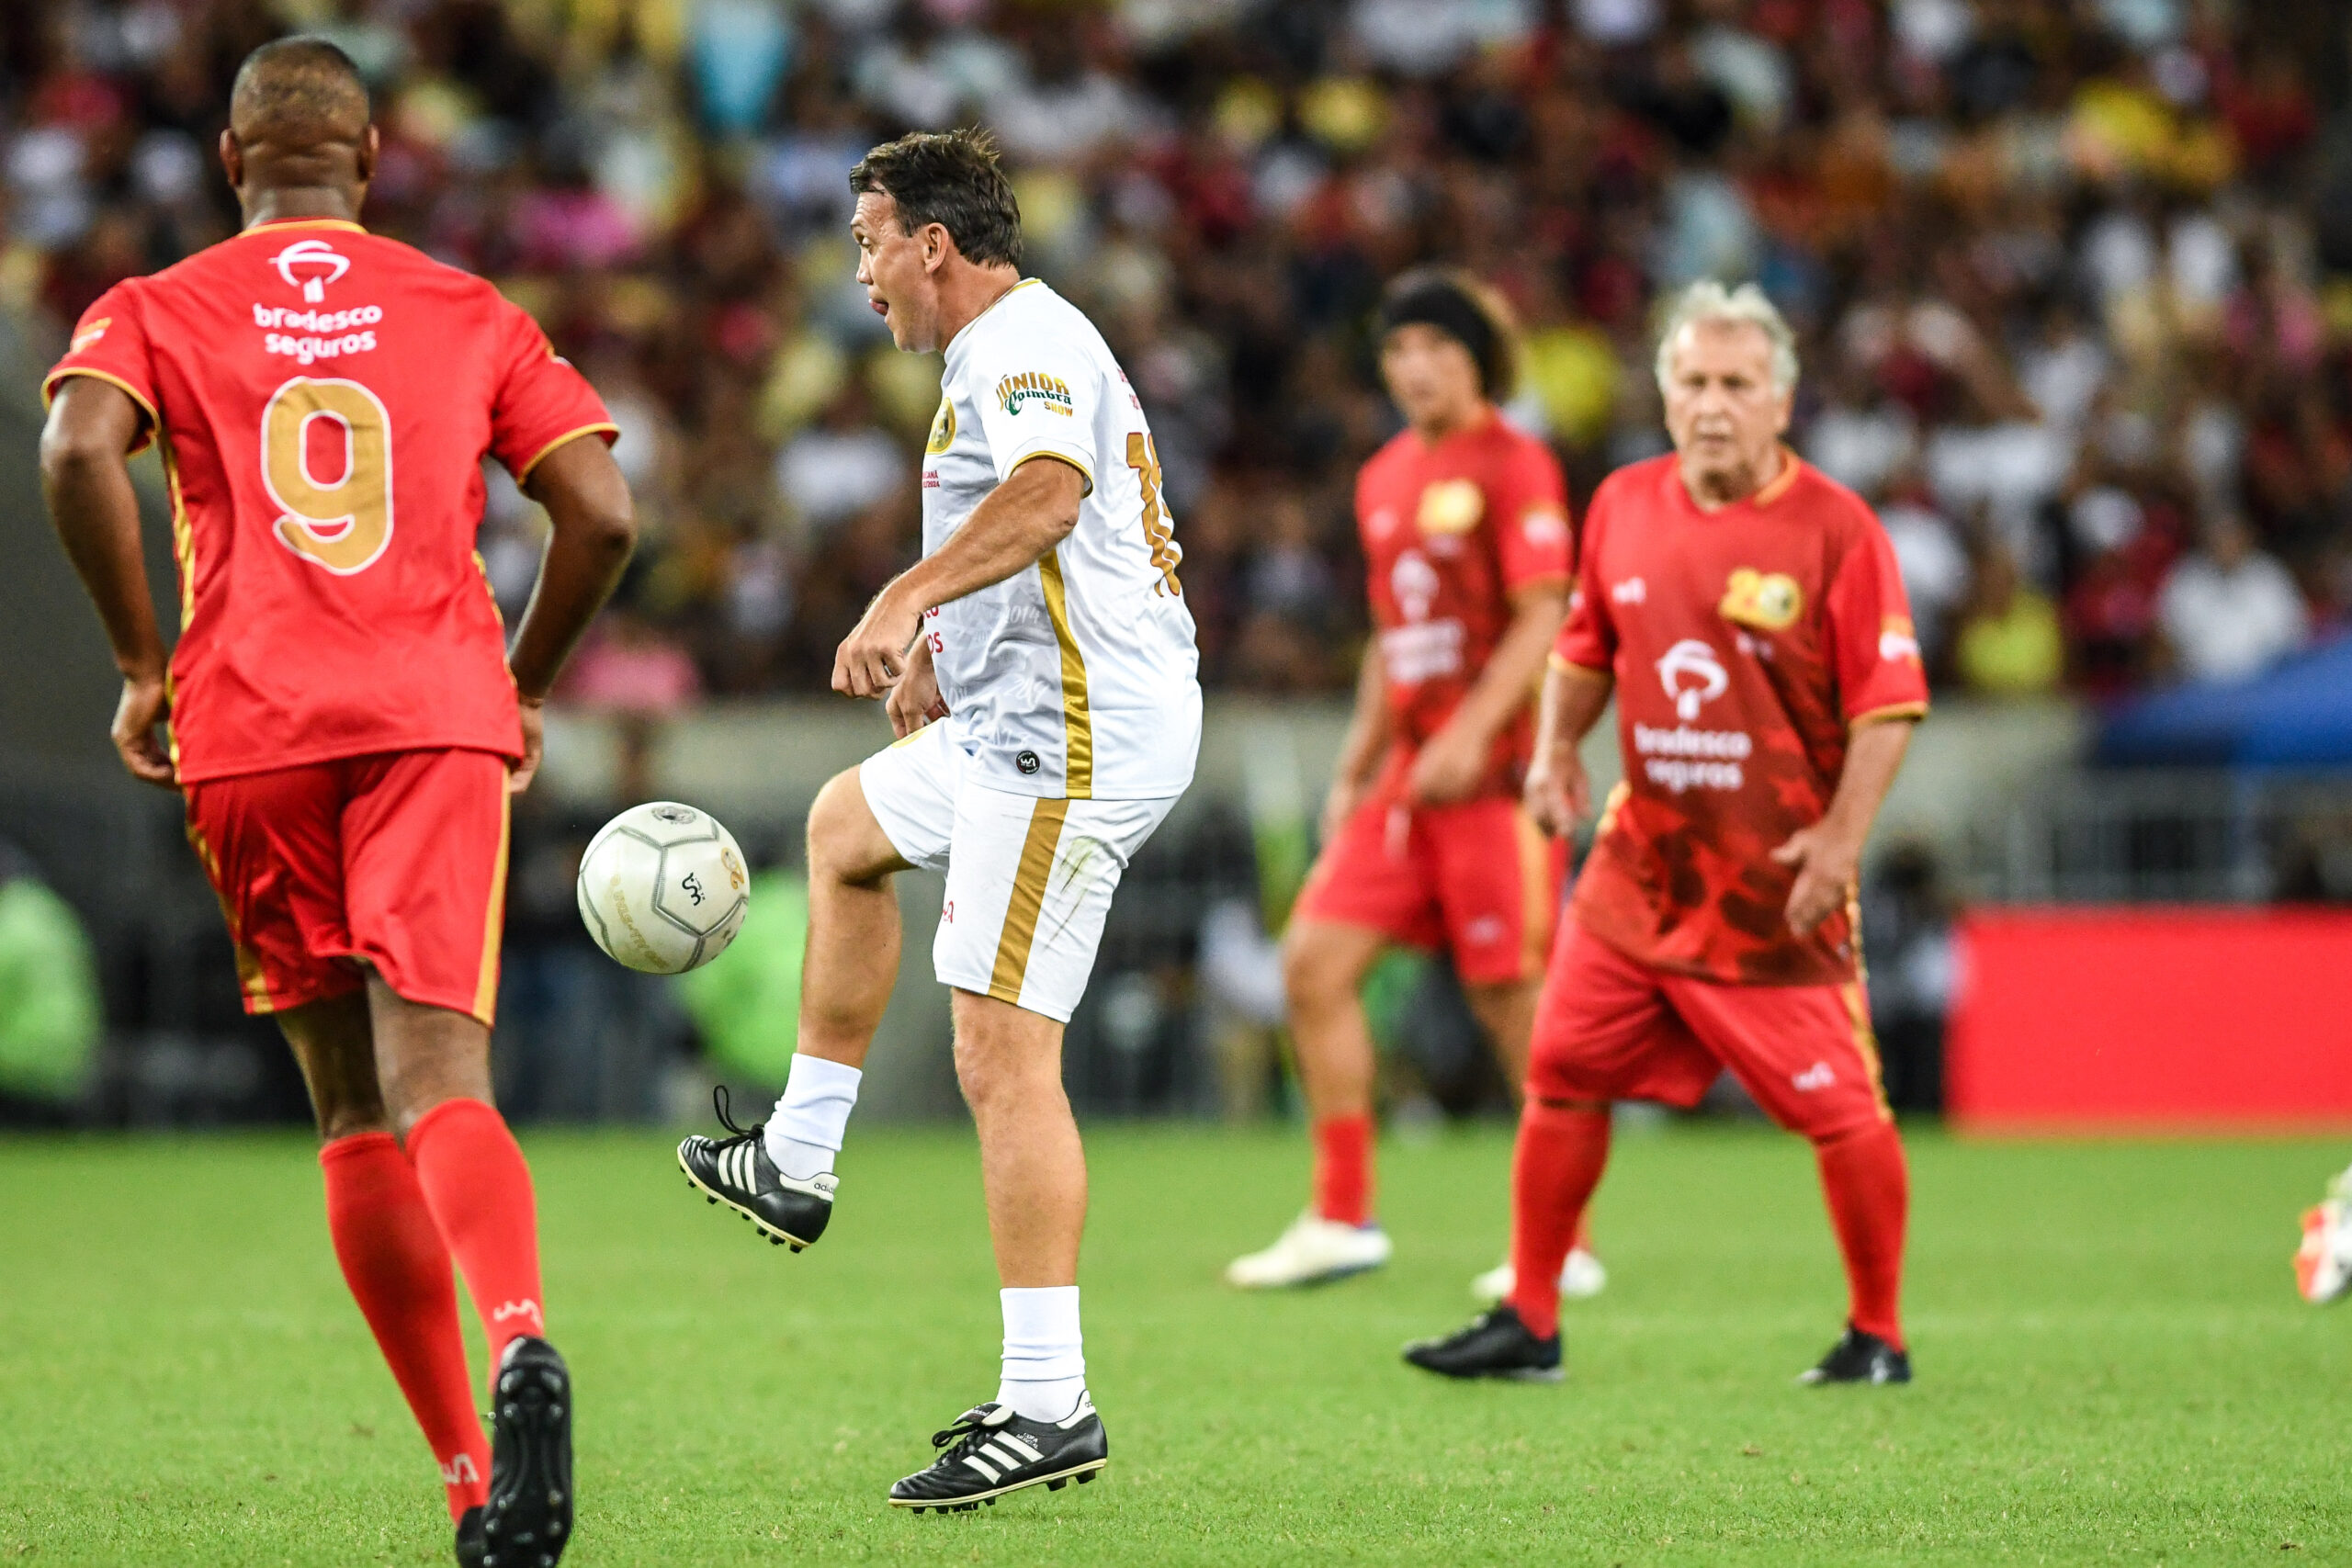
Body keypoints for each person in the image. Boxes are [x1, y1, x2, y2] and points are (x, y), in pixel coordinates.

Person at [38, 39, 635, 1567]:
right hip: (433, 716)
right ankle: (521, 1335)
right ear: (371, 160)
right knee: (443, 1075)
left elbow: (75, 447)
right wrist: (525, 683)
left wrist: (140, 663)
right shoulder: (467, 307)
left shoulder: (154, 305)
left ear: (231, 161)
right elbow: (600, 512)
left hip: (250, 723)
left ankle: (465, 1483)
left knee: (351, 1110)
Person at [674, 129, 1199, 1511]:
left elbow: (1048, 497)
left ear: (934, 245)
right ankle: (797, 1155)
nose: (859, 277)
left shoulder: (1021, 344)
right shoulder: (1000, 347)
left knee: (1000, 1051)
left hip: (1076, 739)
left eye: (867, 245)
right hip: (1024, 707)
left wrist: (905, 595)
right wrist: (946, 646)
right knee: (845, 830)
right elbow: (1043, 533)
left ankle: (1048, 1401)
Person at [1402, 280, 1927, 1387]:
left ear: (1781, 400)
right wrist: (1555, 751)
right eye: (1692, 381)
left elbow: (1886, 704)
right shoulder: (1624, 503)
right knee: (1560, 1071)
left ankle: (1876, 1335)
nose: (1712, 404)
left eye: (1737, 383)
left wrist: (1839, 843)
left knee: (1840, 1111)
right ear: (1664, 393)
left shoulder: (1836, 528)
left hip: (1772, 881)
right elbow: (1584, 647)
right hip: (1642, 869)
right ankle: (1531, 1316)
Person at [1223, 269, 1603, 1302]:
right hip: (1408, 779)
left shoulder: (1517, 463)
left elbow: (1544, 612)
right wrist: (1358, 761)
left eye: (1436, 346)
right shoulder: (1384, 476)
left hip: (1496, 779)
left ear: (1479, 358)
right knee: (1311, 964)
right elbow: (1396, 636)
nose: (1415, 367)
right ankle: (1342, 1217)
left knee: (1508, 998)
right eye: (1398, 350)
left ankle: (1562, 1240)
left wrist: (1472, 732)